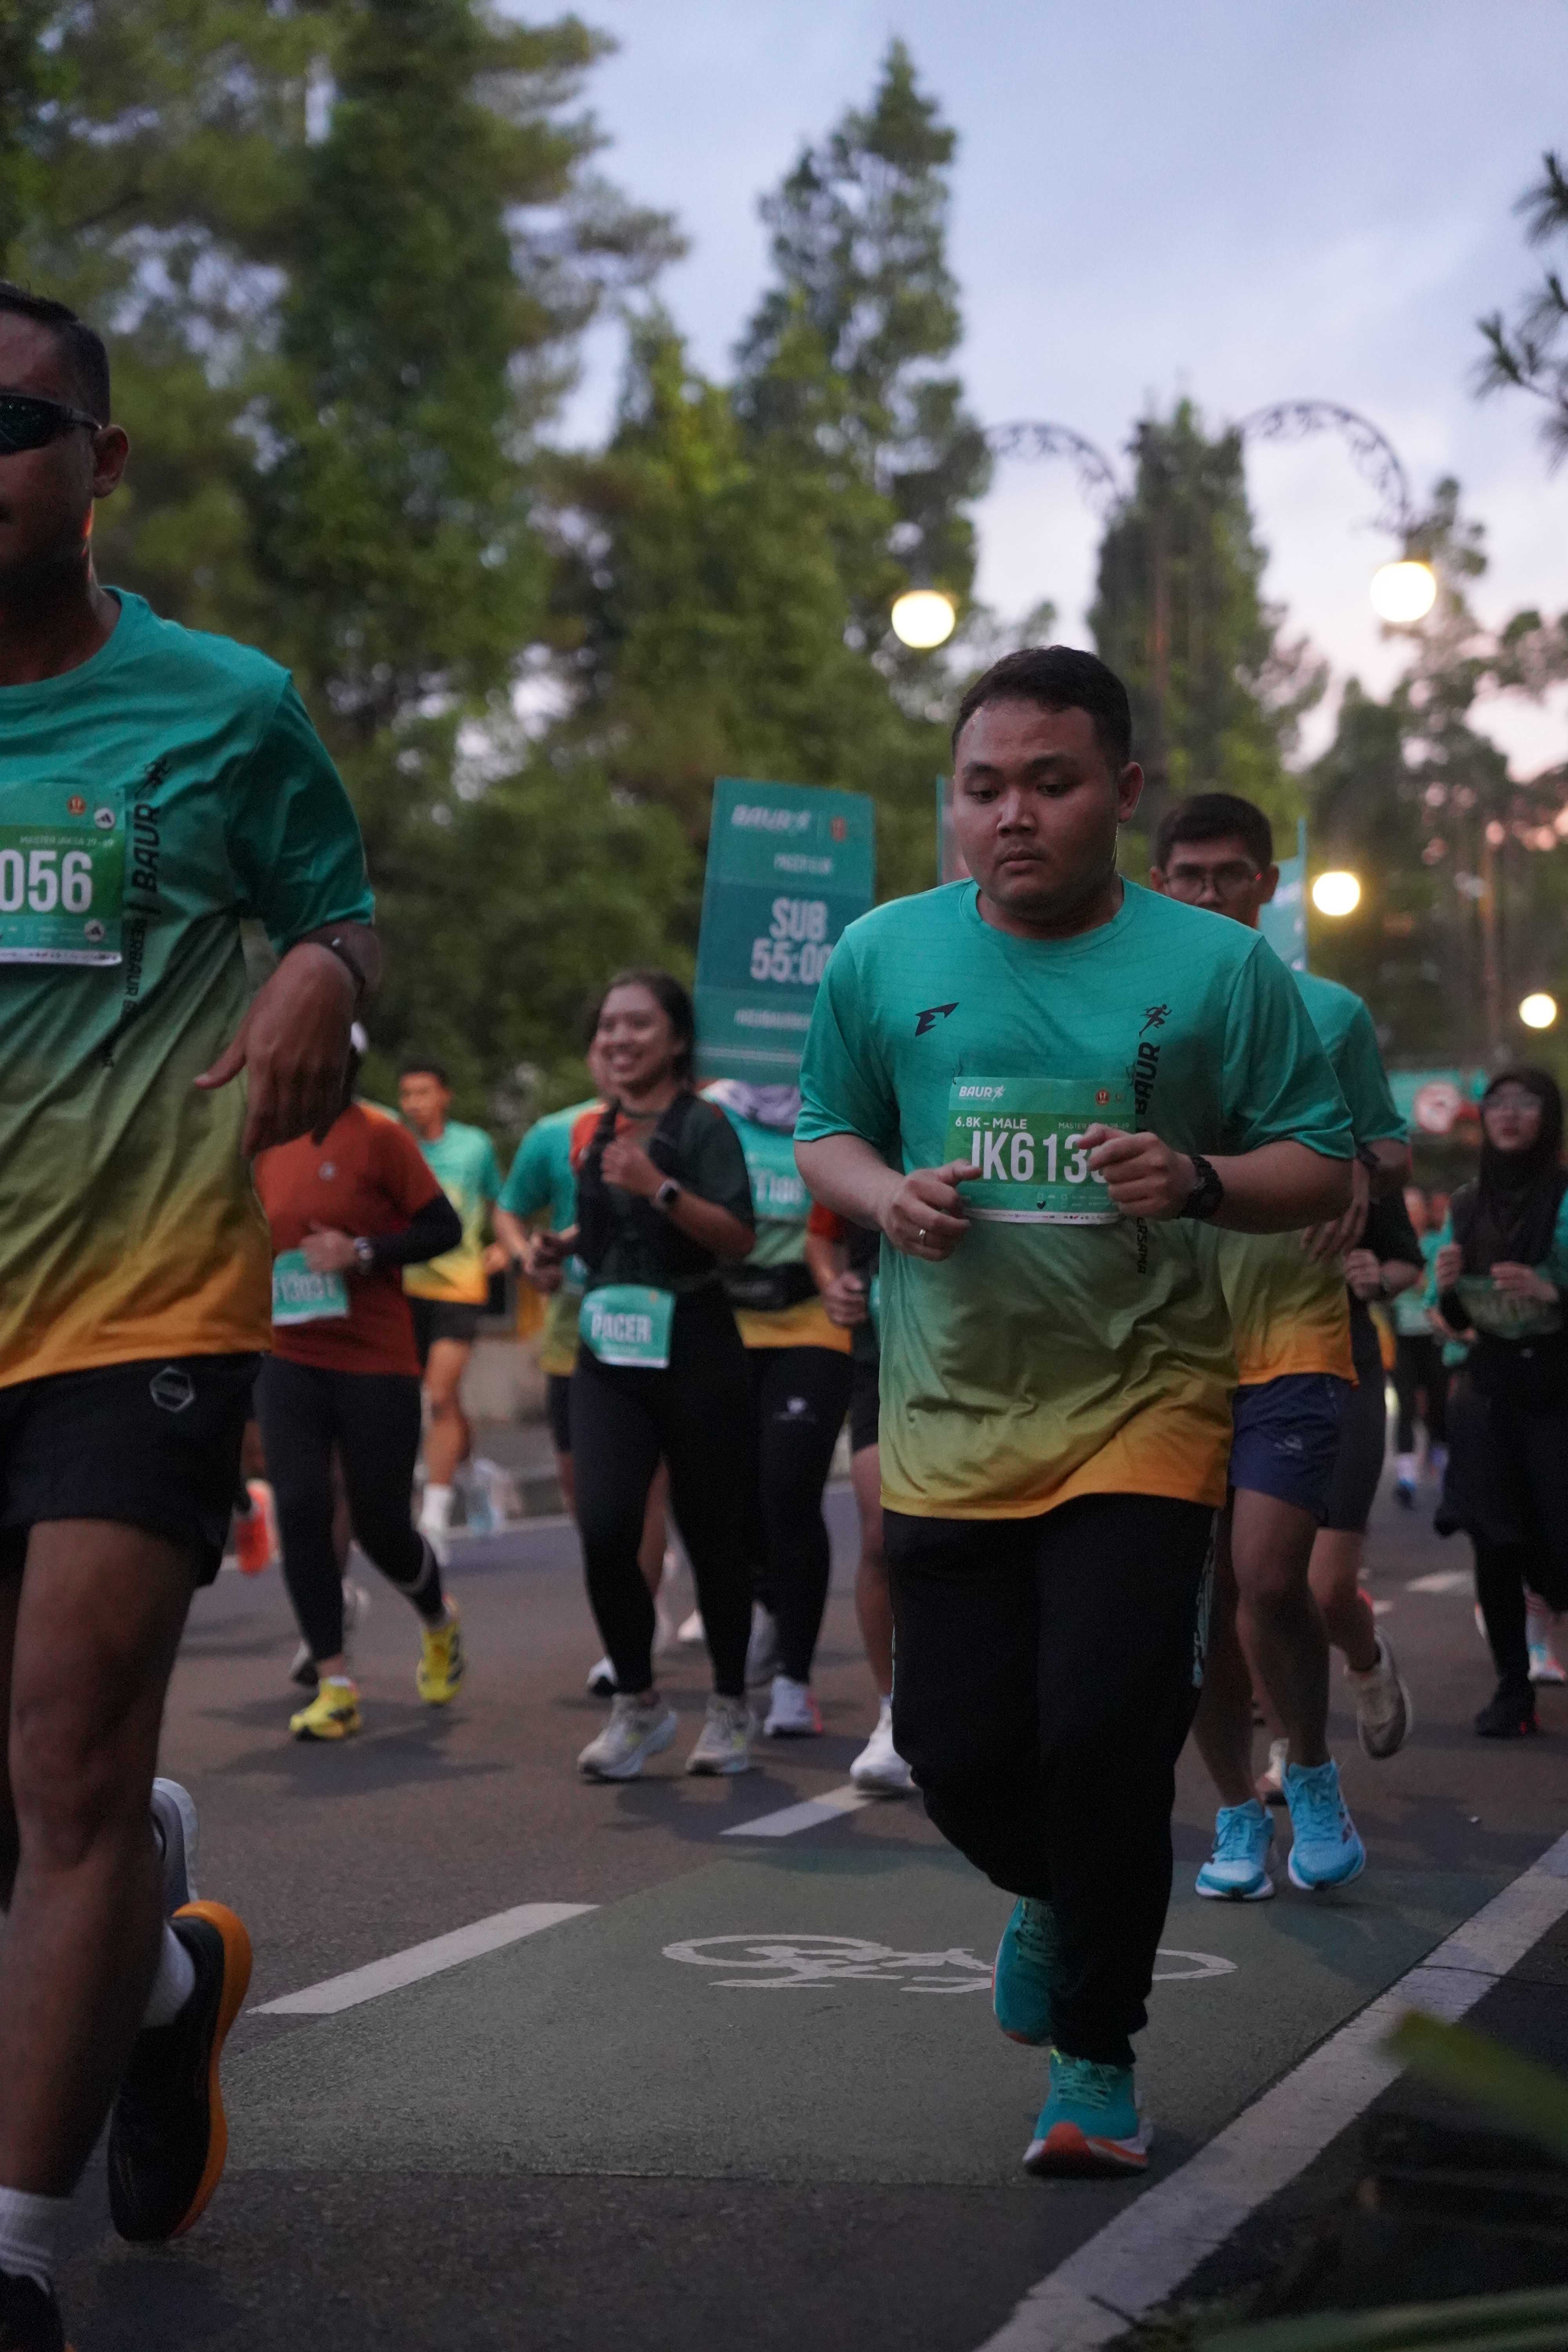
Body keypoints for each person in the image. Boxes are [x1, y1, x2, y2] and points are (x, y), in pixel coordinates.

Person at [796, 647, 1352, 2178]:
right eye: (983, 789)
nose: (1013, 816)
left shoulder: (1220, 970)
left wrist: (1202, 1179)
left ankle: (1094, 2062)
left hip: (1144, 1409)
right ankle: (1053, 1895)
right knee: (959, 1754)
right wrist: (883, 1196)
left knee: (1107, 1737)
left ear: (1123, 791)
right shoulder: (884, 955)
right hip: (950, 1417)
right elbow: (826, 1128)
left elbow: (1321, 1161)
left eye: (1050, 784)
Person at [0, 279, 377, 2352]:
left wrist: (321, 970)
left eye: (12, 427)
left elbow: (340, 909)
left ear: (101, 463)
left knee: (66, 1761)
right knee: (29, 1805)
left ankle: (17, 2256)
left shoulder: (226, 707)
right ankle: (160, 1978)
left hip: (134, 1295)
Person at [1148, 793, 1409, 1906]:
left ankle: (1306, 1768)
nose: (1210, 893)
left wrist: (1354, 1171)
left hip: (1291, 1325)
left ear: (1267, 886)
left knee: (1267, 1574)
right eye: (1190, 875)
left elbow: (1384, 1145)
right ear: (1159, 883)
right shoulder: (1127, 1004)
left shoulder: (1330, 1012)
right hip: (1159, 1336)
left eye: (1231, 875)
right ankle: (1234, 1810)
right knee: (1196, 1602)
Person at [562, 971, 759, 1780]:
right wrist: (556, 1250)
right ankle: (639, 1703)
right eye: (609, 1025)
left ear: (676, 1040)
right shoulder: (595, 1127)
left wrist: (660, 1187)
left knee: (714, 1534)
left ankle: (731, 1705)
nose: (618, 1039)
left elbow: (738, 1236)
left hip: (696, 1345)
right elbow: (602, 1230)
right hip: (609, 1347)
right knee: (606, 1527)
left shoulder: (705, 1125)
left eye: (638, 1025)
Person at [253, 1031, 465, 1740]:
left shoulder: (381, 1136)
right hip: (288, 1355)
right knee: (302, 1509)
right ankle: (335, 1682)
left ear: (348, 1066)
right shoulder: (264, 1142)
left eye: (328, 1059)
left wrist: (362, 1251)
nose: (310, 1069)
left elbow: (443, 1228)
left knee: (381, 1526)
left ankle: (437, 1620)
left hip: (375, 1359)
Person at [494, 1078, 676, 1690]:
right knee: (589, 1499)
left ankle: (634, 1634)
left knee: (646, 1491)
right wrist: (525, 1258)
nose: (620, 1048)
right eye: (607, 1038)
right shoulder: (555, 1133)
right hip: (572, 1336)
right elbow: (509, 1210)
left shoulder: (677, 1124)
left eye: (636, 1035)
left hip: (648, 1327)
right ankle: (634, 1595)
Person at [1255, 1187, 1425, 1802]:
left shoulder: (1350, 1159)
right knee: (1259, 1586)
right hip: (1244, 1374)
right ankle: (1289, 1751)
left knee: (1327, 1590)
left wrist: (1378, 1277)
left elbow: (1407, 1261)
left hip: (1341, 1371)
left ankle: (1366, 1659)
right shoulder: (1211, 1147)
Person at [706, 1081, 853, 1737]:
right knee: (726, 1500)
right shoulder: (711, 1110)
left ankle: (795, 1680)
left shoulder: (836, 1104)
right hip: (723, 1326)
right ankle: (768, 1600)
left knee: (788, 1491)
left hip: (812, 1327)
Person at [1432, 1068, 1568, 1737]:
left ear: (1550, 1116)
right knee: (1494, 1541)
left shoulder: (1564, 1196)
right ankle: (1514, 1689)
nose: (1510, 1114)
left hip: (1558, 1387)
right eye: (1498, 1103)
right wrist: (1449, 1288)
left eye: (1527, 1102)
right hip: (1489, 1391)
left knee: (1558, 1544)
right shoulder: (1465, 1204)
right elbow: (1454, 1315)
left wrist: (1554, 1293)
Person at [804, 1203, 915, 1791]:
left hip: (981, 1358)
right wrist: (834, 1284)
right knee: (880, 1536)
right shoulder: (862, 1153)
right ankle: (894, 1716)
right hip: (882, 1360)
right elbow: (820, 1237)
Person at [397, 1060, 503, 1558]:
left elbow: (501, 1201)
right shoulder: (398, 1146)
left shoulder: (474, 1146)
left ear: (445, 1096)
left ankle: (434, 1520)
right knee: (447, 1399)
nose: (415, 1103)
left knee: (438, 1396)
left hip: (460, 1287)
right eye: (407, 1095)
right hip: (407, 1286)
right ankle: (473, 1474)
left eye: (424, 1093)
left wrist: (504, 1246)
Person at [1390, 1187, 1451, 1506]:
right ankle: (1406, 1479)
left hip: (1433, 1335)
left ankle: (1443, 1473)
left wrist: (1417, 1279)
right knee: (1406, 1407)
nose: (1411, 1215)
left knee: (1438, 1406)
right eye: (1406, 1208)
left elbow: (1439, 1283)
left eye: (1415, 1209)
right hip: (1403, 1337)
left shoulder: (1437, 1243)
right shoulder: (1393, 1243)